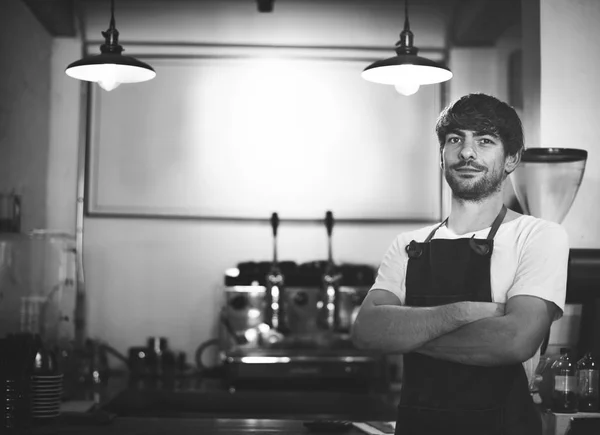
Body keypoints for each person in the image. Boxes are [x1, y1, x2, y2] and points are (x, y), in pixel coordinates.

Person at [351, 93, 569, 435]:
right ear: (442, 156)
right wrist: (466, 312)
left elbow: (514, 341)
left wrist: (404, 334)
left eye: (484, 141)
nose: (467, 152)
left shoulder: (539, 236)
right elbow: (366, 331)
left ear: (511, 158)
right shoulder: (410, 244)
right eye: (456, 140)